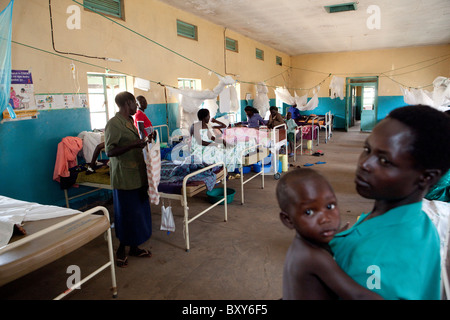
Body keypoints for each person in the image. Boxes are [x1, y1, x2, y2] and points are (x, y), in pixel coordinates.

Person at [330, 105, 450, 300]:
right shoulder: (422, 223)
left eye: (384, 161)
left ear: (426, 177)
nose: (365, 164)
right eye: (367, 150)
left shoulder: (377, 253)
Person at [277, 168, 382, 300]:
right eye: (309, 212)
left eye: (330, 206)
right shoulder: (314, 257)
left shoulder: (303, 247)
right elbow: (357, 295)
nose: (325, 218)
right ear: (288, 220)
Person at [105, 91, 153, 268]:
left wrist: (145, 141)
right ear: (127, 103)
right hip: (124, 178)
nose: (136, 106)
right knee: (125, 215)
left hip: (136, 174)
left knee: (138, 213)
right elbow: (110, 152)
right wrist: (135, 143)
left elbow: (132, 144)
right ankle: (121, 249)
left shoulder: (128, 122)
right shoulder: (114, 124)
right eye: (134, 103)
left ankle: (134, 247)